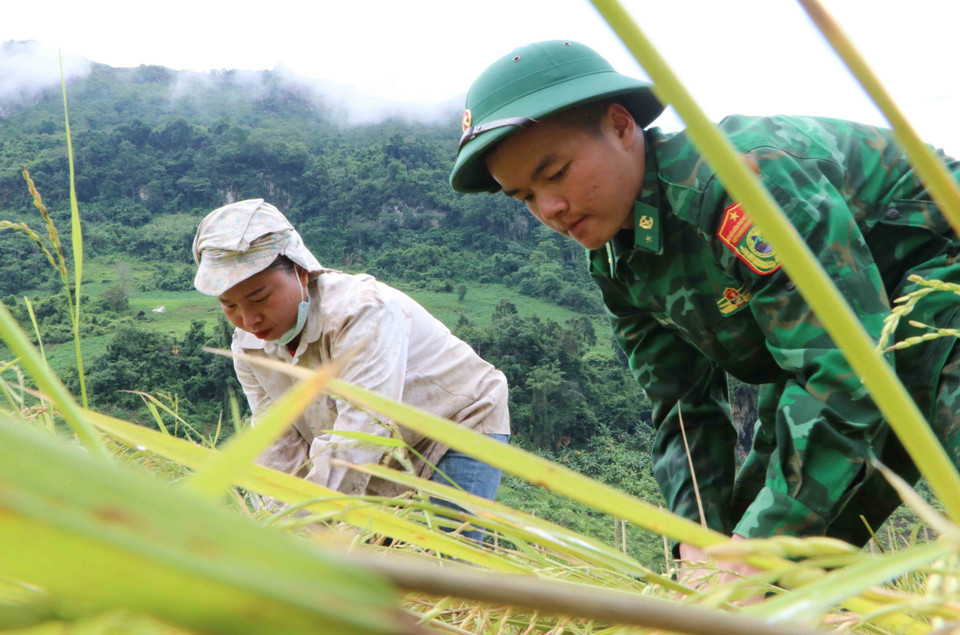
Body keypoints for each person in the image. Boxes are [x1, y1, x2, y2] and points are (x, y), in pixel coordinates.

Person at [449, 40, 960, 578]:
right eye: (525, 198)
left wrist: (756, 546)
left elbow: (845, 369)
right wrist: (697, 541)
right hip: (847, 353)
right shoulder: (617, 263)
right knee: (741, 575)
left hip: (940, 285)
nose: (549, 209)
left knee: (767, 545)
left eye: (555, 174)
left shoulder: (739, 185)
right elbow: (682, 406)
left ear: (622, 126)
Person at [192, 199, 511, 541]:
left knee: (447, 568)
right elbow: (276, 442)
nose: (248, 319)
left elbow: (364, 428)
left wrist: (302, 524)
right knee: (383, 575)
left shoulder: (360, 312)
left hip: (455, 426)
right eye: (230, 305)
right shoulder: (248, 346)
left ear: (300, 272)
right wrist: (277, 520)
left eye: (259, 298)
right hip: (382, 455)